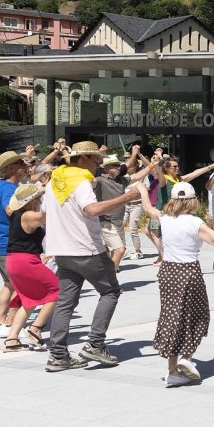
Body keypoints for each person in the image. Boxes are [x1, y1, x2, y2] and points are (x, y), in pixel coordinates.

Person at [134, 181, 214, 387]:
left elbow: (148, 209)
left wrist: (141, 190)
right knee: (197, 315)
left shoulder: (164, 218)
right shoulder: (194, 222)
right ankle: (186, 357)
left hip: (167, 272)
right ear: (192, 201)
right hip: (188, 272)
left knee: (172, 317)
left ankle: (172, 371)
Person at [43, 141, 142, 372]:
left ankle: (58, 355)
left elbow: (45, 212)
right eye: (97, 160)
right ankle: (95, 344)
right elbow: (92, 209)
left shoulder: (55, 180)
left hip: (62, 251)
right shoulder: (81, 181)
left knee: (65, 302)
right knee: (111, 292)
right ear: (83, 159)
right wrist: (125, 198)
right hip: (86, 250)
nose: (99, 165)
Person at [1, 184, 57, 352]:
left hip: (15, 261)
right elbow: (51, 216)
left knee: (29, 300)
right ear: (31, 201)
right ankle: (36, 328)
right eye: (39, 198)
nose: (41, 200)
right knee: (57, 290)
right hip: (25, 262)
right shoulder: (29, 215)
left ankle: (12, 339)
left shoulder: (17, 214)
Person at [0, 150, 30, 335]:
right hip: (7, 244)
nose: (25, 166)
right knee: (21, 286)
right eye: (21, 164)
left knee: (9, 284)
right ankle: (9, 324)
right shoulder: (9, 189)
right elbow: (10, 209)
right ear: (11, 168)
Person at [151, 155, 214, 267]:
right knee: (154, 233)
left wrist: (211, 166)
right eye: (174, 167)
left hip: (173, 214)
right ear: (167, 169)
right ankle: (163, 257)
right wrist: (157, 166)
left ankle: (164, 258)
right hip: (163, 213)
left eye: (178, 166)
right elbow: (160, 176)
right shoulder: (165, 180)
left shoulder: (179, 179)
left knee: (162, 235)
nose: (177, 168)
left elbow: (195, 173)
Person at [95, 151, 154, 271]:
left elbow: (137, 176)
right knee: (120, 250)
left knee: (116, 250)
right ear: (106, 168)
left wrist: (151, 165)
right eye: (114, 165)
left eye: (118, 165)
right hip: (105, 221)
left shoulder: (121, 180)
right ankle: (110, 276)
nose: (118, 167)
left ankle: (110, 269)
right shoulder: (99, 181)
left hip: (119, 221)